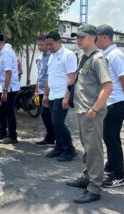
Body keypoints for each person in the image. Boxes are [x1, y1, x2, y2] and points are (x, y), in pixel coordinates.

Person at [66, 24, 112, 203]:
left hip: (91, 113)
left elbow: (108, 86)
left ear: (93, 37)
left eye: (82, 36)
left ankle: (94, 188)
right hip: (82, 111)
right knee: (87, 148)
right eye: (76, 36)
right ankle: (88, 177)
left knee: (94, 150)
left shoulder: (98, 58)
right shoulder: (85, 57)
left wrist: (94, 109)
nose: (78, 39)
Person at [96, 24, 124, 188]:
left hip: (117, 102)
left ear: (104, 37)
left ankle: (119, 177)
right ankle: (111, 168)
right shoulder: (107, 54)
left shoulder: (115, 55)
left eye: (96, 38)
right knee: (110, 137)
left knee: (111, 139)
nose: (95, 41)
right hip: (111, 102)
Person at [43, 32, 77, 161]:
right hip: (52, 94)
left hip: (62, 94)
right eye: (47, 45)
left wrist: (67, 97)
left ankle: (70, 149)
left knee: (58, 122)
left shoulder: (68, 55)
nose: (48, 47)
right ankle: (59, 148)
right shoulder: (51, 56)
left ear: (59, 42)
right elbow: (49, 77)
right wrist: (45, 95)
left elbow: (71, 78)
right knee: (54, 123)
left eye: (50, 44)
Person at [0, 34, 20, 144]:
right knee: (1, 110)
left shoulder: (6, 52)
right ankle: (2, 131)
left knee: (9, 112)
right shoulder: (5, 52)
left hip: (9, 89)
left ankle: (12, 136)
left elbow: (8, 73)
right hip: (4, 88)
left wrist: (5, 91)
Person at [34, 34, 55, 146]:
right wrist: (36, 89)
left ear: (47, 45)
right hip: (41, 90)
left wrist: (46, 93)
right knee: (45, 115)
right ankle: (50, 137)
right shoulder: (40, 58)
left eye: (41, 44)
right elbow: (39, 75)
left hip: (49, 91)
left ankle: (52, 137)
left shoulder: (51, 57)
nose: (40, 47)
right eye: (38, 45)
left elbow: (49, 76)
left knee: (47, 114)